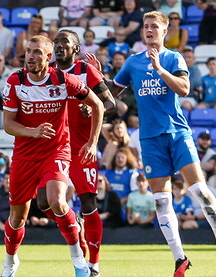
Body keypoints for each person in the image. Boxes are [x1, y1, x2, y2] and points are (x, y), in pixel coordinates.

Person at [112, 10, 216, 274]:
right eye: (146, 26)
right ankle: (180, 258)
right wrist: (95, 82)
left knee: (199, 191)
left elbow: (184, 89)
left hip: (177, 132)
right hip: (150, 138)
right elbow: (113, 91)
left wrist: (159, 69)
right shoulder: (132, 62)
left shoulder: (173, 57)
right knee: (161, 202)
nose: (149, 30)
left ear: (165, 31)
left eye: (154, 26)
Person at [1, 35, 104, 277]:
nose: (31, 56)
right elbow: (8, 124)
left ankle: (79, 259)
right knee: (17, 217)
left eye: (37, 52)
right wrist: (32, 132)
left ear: (49, 57)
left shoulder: (62, 79)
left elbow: (98, 104)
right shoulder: (15, 81)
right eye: (28, 51)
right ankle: (10, 261)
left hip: (56, 150)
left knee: (57, 200)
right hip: (24, 155)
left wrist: (92, 142)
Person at [52, 30, 118, 275]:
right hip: (54, 147)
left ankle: (94, 264)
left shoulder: (86, 71)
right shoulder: (48, 72)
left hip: (81, 147)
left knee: (88, 202)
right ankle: (75, 228)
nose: (59, 47)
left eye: (64, 43)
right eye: (56, 43)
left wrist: (95, 109)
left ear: (75, 49)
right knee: (45, 202)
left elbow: (112, 104)